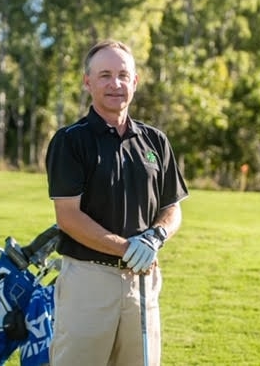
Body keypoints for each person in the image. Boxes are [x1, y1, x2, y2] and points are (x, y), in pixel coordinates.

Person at [45, 39, 189, 366]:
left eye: (123, 75)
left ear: (135, 82)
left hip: (143, 283)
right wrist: (126, 248)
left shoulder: (155, 141)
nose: (116, 84)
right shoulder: (70, 141)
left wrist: (156, 236)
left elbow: (172, 206)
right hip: (89, 282)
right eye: (105, 75)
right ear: (88, 82)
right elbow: (68, 217)